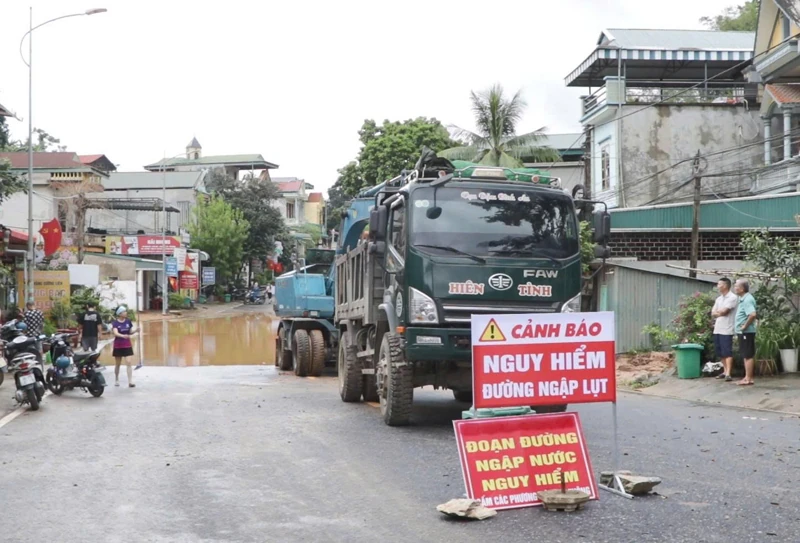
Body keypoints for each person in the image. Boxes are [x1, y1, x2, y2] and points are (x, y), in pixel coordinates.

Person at [711, 277, 738, 381]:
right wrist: (718, 312)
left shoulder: (732, 297)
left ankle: (728, 373)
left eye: (719, 284)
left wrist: (719, 312)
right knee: (720, 351)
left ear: (725, 286)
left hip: (727, 328)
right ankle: (725, 371)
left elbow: (724, 312)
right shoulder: (719, 299)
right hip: (718, 328)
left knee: (727, 351)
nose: (718, 286)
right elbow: (713, 312)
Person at [734, 279, 758, 386]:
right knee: (745, 354)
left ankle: (748, 378)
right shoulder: (743, 299)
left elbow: (752, 314)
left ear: (742, 288)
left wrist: (744, 326)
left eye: (736, 286)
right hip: (744, 332)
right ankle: (747, 377)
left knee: (748, 355)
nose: (734, 287)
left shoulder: (747, 299)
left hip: (746, 332)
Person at [112, 306, 137, 388]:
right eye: (124, 312)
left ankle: (130, 381)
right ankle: (116, 379)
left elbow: (130, 332)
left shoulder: (128, 321)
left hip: (127, 345)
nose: (126, 313)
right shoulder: (115, 323)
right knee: (118, 364)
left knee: (129, 362)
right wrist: (123, 336)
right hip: (118, 345)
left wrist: (136, 331)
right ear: (120, 314)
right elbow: (115, 333)